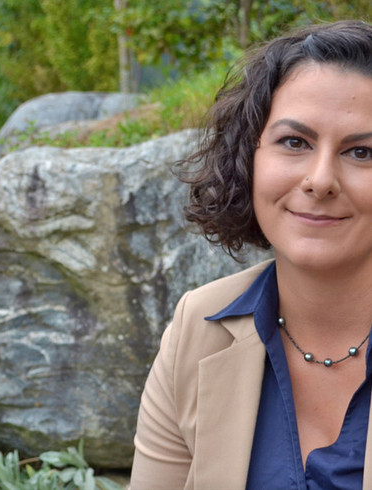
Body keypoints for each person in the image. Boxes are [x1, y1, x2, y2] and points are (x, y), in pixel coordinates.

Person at [130, 20, 372, 489]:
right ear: (248, 157)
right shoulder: (198, 329)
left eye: (362, 152)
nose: (321, 180)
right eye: (294, 142)